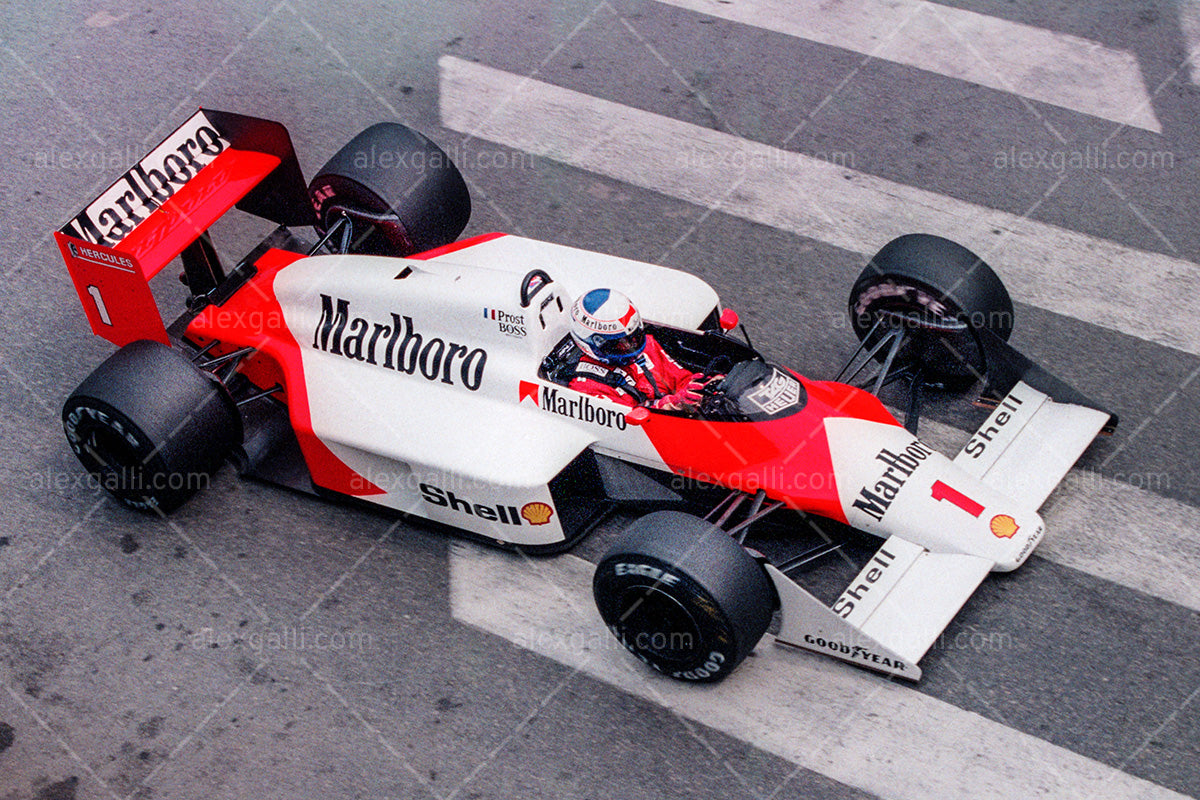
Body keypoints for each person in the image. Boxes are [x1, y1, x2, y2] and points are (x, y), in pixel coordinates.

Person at [567, 288, 711, 410]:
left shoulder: (648, 345)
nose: (629, 347)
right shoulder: (586, 388)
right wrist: (670, 405)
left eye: (632, 338)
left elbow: (681, 381)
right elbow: (628, 425)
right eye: (618, 344)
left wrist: (702, 387)